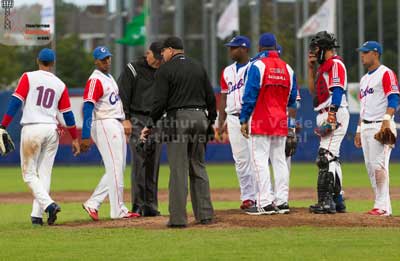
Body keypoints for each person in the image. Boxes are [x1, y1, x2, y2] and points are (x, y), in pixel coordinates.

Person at [141, 36, 216, 228]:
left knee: (178, 169)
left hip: (178, 119)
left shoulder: (165, 70)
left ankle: (178, 219)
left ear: (171, 50)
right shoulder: (198, 66)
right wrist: (211, 121)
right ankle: (205, 215)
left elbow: (160, 102)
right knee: (198, 166)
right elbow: (210, 97)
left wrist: (150, 124)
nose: (162, 55)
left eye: (163, 52)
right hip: (200, 118)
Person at [0, 48, 80, 226]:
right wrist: (74, 138)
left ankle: (49, 205)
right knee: (44, 173)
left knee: (29, 174)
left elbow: (15, 102)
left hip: (32, 128)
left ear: (38, 60)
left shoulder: (28, 77)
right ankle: (37, 216)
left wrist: (3, 124)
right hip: (52, 130)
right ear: (52, 64)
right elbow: (68, 115)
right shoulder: (60, 84)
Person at [239, 33, 297, 215]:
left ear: (259, 48)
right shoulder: (288, 68)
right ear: (275, 47)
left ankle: (264, 202)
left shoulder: (257, 65)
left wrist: (243, 118)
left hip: (260, 119)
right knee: (280, 160)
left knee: (260, 161)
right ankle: (282, 201)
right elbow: (292, 98)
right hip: (280, 120)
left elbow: (250, 95)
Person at [80, 46, 139, 220]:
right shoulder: (95, 80)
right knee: (115, 167)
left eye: (108, 58)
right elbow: (88, 107)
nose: (106, 61)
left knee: (117, 168)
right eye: (102, 59)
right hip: (104, 124)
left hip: (114, 122)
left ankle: (93, 203)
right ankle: (118, 210)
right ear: (96, 61)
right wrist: (84, 135)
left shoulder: (109, 78)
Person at [117, 41, 163, 217]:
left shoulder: (162, 70)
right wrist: (126, 119)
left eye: (160, 59)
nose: (157, 62)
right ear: (147, 53)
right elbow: (123, 95)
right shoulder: (133, 68)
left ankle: (151, 205)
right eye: (155, 58)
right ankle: (138, 204)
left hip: (156, 120)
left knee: (154, 162)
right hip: (137, 118)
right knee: (139, 161)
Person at [354, 41, 399, 216]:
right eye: (361, 52)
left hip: (380, 125)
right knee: (370, 168)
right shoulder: (364, 79)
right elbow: (363, 108)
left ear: (375, 53)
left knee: (379, 166)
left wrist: (387, 119)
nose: (362, 55)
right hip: (365, 126)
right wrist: (358, 130)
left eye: (365, 52)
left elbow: (394, 98)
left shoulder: (385, 73)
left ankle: (380, 207)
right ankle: (384, 207)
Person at [307, 31, 349, 214]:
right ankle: (338, 201)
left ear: (325, 48)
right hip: (326, 112)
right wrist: (311, 69)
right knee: (332, 158)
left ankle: (326, 201)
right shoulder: (323, 68)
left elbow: (338, 90)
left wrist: (332, 113)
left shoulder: (336, 64)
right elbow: (313, 93)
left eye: (317, 49)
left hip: (335, 112)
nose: (314, 52)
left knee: (326, 156)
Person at [218, 35, 256, 211]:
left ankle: (262, 196)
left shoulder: (255, 67)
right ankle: (248, 197)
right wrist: (220, 123)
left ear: (244, 49)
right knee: (241, 160)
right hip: (233, 117)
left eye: (234, 47)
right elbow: (224, 97)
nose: (231, 50)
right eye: (230, 47)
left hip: (252, 116)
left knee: (256, 158)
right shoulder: (227, 71)